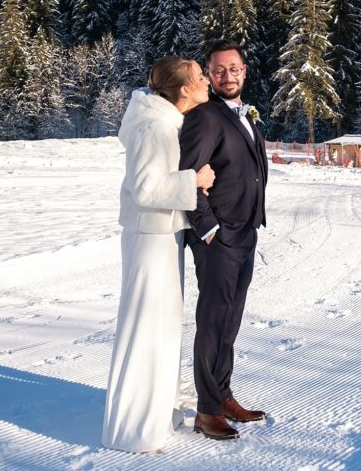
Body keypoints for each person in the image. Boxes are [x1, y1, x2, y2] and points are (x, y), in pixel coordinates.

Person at [102, 57, 215, 453]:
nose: (206, 81)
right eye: (199, 76)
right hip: (150, 238)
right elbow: (146, 189)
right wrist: (194, 180)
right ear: (183, 89)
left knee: (162, 327)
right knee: (147, 326)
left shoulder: (167, 122)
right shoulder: (155, 127)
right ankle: (135, 428)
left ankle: (154, 414)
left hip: (162, 235)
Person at [179, 39, 269, 441]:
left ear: (244, 70)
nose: (227, 76)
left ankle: (223, 393)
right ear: (210, 75)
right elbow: (188, 175)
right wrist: (207, 228)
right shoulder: (205, 116)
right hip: (218, 236)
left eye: (233, 68)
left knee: (230, 321)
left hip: (245, 230)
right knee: (213, 322)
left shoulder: (248, 115)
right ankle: (207, 409)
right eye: (218, 70)